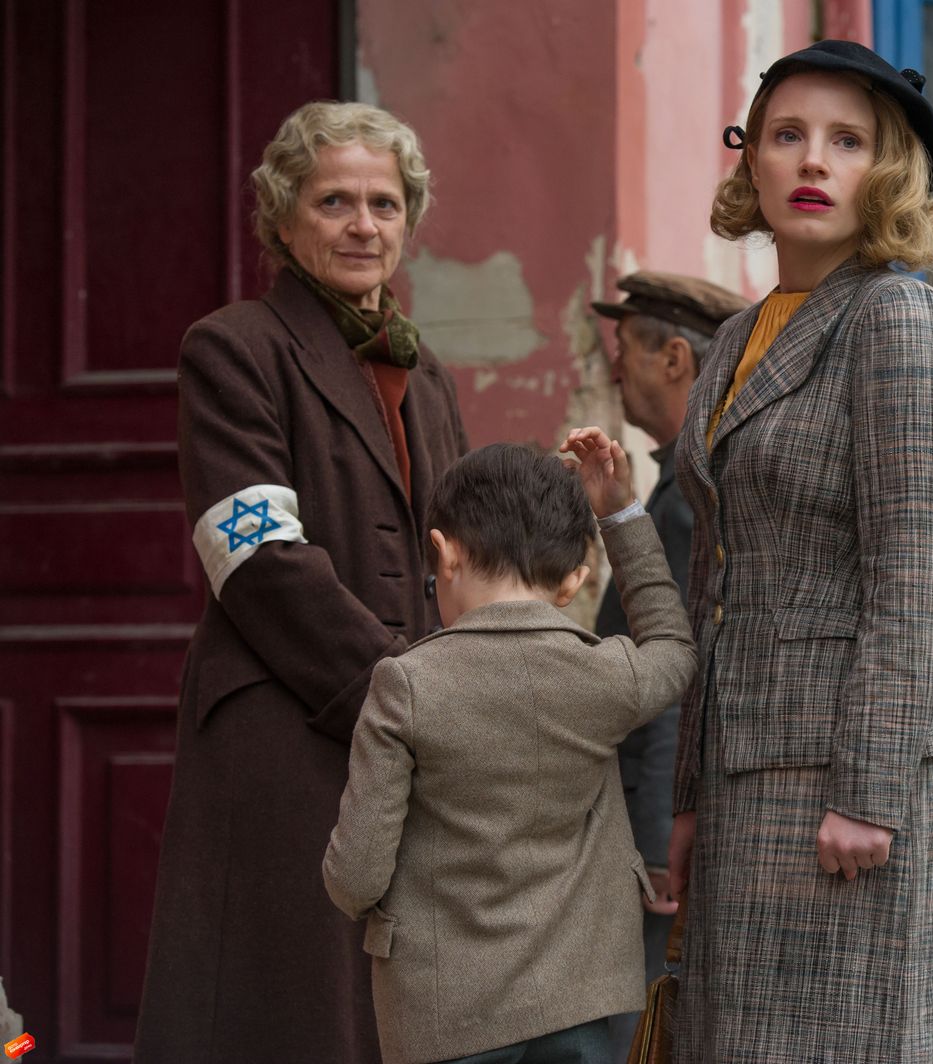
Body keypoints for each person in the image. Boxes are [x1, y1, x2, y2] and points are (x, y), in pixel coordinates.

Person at [135, 101, 469, 1064]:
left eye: (384, 203)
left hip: (412, 745)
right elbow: (257, 559)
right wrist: (406, 698)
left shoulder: (428, 373)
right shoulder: (232, 346)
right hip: (285, 739)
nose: (364, 225)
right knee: (290, 1017)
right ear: (282, 218)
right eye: (334, 202)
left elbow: (456, 554)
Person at [667, 39, 933, 1062]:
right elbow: (714, 578)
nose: (812, 161)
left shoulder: (899, 318)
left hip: (847, 783)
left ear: (886, 171)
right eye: (786, 135)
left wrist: (869, 792)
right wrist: (689, 794)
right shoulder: (736, 337)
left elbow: (916, 576)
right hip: (743, 769)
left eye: (847, 141)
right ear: (749, 158)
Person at [322, 438, 696, 1064]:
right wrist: (621, 515)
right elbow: (674, 644)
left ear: (444, 554)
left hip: (444, 1013)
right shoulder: (608, 676)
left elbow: (357, 876)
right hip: (580, 998)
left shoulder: (406, 685)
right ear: (574, 582)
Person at [587, 271, 748, 1059]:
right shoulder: (679, 484)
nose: (614, 369)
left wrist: (655, 845)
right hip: (655, 819)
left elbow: (675, 684)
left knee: (637, 1032)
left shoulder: (689, 498)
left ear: (676, 359)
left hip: (656, 832)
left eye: (625, 349)